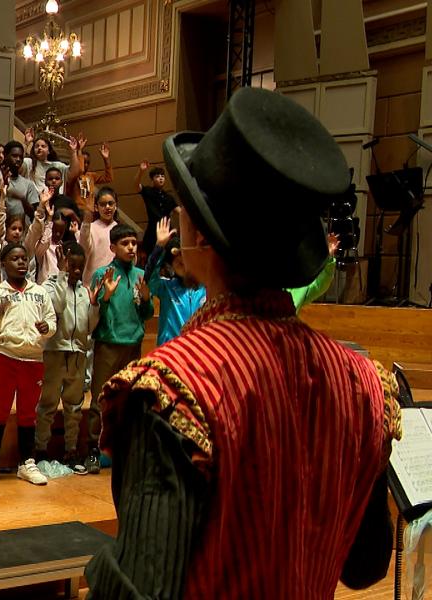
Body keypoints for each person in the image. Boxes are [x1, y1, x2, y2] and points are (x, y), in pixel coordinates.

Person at [85, 87, 402, 598]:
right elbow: (365, 566)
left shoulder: (174, 387)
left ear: (201, 233)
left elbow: (141, 589)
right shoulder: (363, 384)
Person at [0, 243, 56, 486]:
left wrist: (48, 329)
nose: (21, 263)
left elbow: (51, 322)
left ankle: (27, 463)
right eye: (15, 259)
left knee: (27, 414)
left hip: (34, 360)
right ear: (4, 264)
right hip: (6, 357)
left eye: (24, 258)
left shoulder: (40, 292)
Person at [86, 224, 153, 473]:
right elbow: (96, 315)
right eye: (125, 243)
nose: (131, 248)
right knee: (100, 398)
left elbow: (146, 314)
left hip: (132, 345)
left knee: (130, 400)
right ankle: (93, 449)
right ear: (113, 247)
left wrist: (146, 299)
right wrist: (105, 297)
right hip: (108, 343)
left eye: (134, 243)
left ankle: (124, 448)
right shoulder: (102, 274)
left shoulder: (139, 274)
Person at [34, 242, 99, 474]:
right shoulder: (49, 286)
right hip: (55, 353)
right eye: (71, 265)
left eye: (79, 267)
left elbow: (90, 326)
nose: (76, 271)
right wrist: (61, 275)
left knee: (74, 407)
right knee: (48, 405)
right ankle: (40, 449)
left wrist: (94, 305)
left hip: (78, 354)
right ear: (63, 263)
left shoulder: (84, 291)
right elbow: (57, 308)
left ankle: (71, 449)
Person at [145, 216, 206, 346]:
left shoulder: (207, 288)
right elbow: (149, 277)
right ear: (170, 266)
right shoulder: (165, 288)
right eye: (178, 262)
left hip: (199, 349)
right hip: (169, 350)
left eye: (185, 259)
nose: (183, 263)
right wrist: (160, 246)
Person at [134, 162, 177, 258]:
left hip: (168, 231)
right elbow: (136, 185)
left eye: (162, 176)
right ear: (152, 179)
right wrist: (141, 171)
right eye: (157, 176)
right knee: (152, 259)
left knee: (170, 258)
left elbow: (180, 212)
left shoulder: (169, 197)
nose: (161, 178)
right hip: (153, 232)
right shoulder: (148, 191)